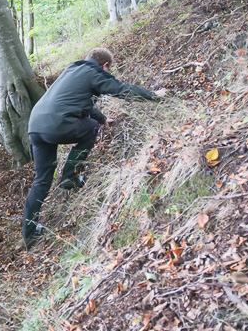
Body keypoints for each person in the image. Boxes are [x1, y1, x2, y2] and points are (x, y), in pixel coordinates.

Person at [22, 48, 167, 250]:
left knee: (41, 180)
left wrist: (102, 117)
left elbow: (80, 101)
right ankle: (70, 178)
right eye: (109, 68)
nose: (109, 72)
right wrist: (153, 95)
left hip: (35, 127)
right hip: (56, 125)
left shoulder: (73, 70)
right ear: (105, 65)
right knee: (90, 128)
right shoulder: (94, 73)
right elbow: (121, 89)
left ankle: (29, 234)